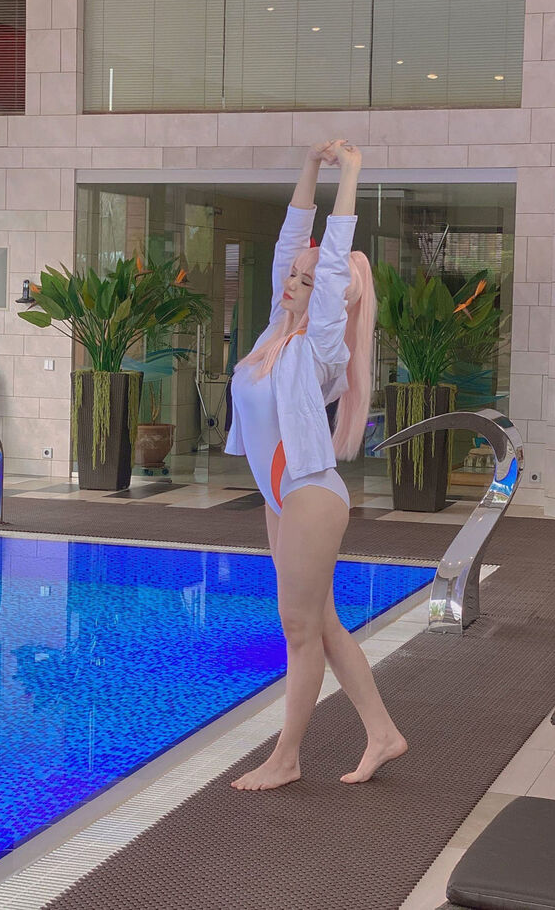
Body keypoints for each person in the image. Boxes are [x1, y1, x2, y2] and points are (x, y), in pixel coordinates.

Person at [224, 139, 408, 791]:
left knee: (299, 629)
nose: (294, 283)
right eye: (293, 277)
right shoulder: (277, 331)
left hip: (309, 494)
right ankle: (382, 733)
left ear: (335, 300)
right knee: (320, 623)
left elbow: (331, 263)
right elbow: (293, 243)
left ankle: (287, 758)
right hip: (284, 497)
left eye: (307, 281)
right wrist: (309, 167)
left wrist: (351, 173)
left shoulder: (322, 345)